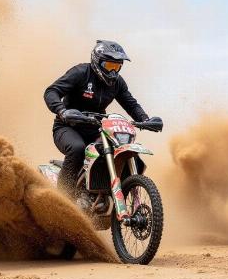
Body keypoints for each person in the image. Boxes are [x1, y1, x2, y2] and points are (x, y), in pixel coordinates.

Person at [44, 40, 160, 197]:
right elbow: (51, 91)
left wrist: (145, 120)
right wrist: (62, 111)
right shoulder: (80, 72)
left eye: (117, 67)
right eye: (109, 66)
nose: (113, 72)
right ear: (97, 61)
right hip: (68, 126)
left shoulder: (117, 83)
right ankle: (64, 198)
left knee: (117, 149)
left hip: (97, 129)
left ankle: (107, 191)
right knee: (77, 149)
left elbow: (131, 104)